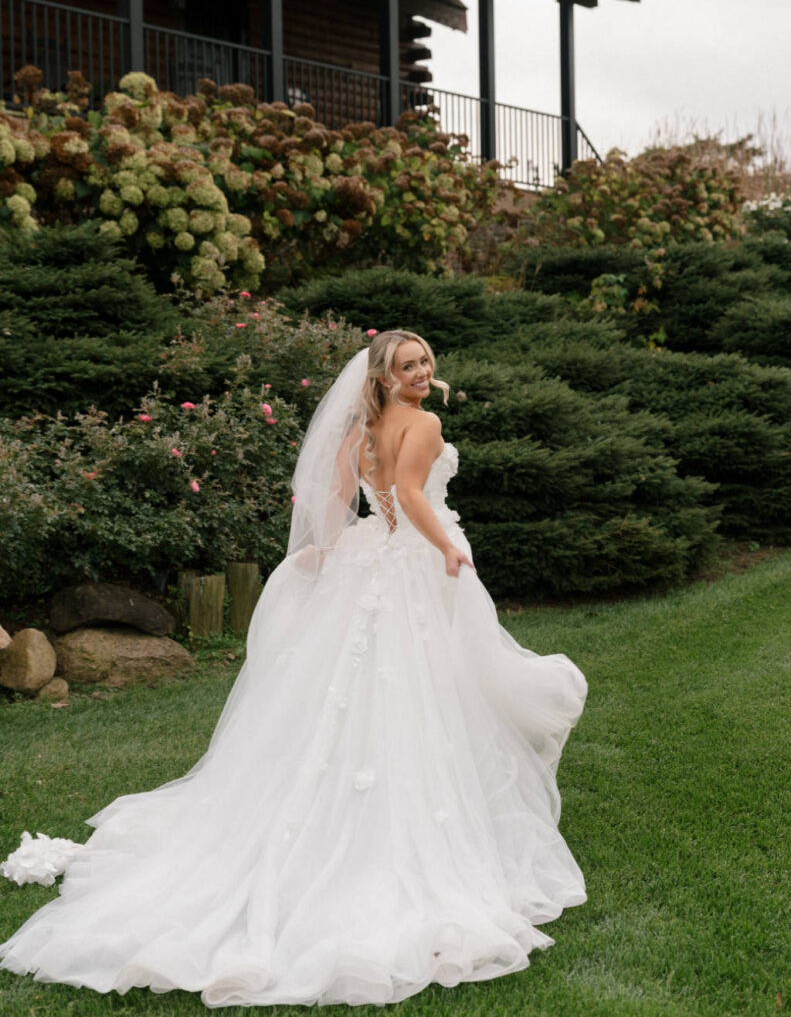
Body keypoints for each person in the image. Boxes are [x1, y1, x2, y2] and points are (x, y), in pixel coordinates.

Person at [0, 330, 588, 1008]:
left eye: (425, 360)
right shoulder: (423, 424)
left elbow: (338, 502)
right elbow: (410, 494)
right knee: (430, 689)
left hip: (369, 562)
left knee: (371, 692)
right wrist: (446, 552)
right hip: (414, 566)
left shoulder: (359, 432)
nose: (423, 372)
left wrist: (330, 559)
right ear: (384, 377)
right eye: (408, 365)